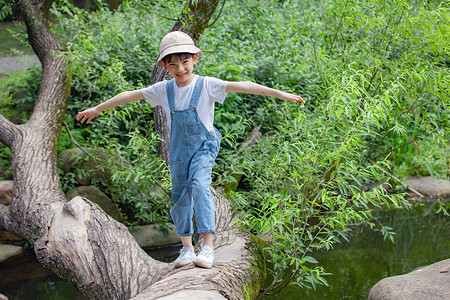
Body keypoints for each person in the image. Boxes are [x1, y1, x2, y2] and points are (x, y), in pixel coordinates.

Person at [77, 31, 305, 269]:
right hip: (177, 150)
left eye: (185, 62)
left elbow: (244, 86)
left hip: (204, 146)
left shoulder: (207, 85)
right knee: (180, 196)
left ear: (195, 59)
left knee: (199, 185)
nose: (180, 69)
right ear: (165, 66)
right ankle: (186, 248)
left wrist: (280, 94)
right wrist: (96, 109)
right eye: (173, 64)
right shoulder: (163, 90)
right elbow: (129, 95)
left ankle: (207, 247)